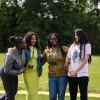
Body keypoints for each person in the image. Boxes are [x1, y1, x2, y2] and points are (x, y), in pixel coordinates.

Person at [64, 29, 92, 100]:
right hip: (71, 74)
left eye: (77, 35)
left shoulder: (87, 45)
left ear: (81, 35)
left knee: (83, 96)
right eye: (75, 35)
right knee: (72, 96)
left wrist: (75, 71)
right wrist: (70, 70)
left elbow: (85, 60)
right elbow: (68, 59)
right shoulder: (73, 46)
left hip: (82, 74)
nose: (75, 36)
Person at [42, 33, 69, 100]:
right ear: (49, 40)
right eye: (52, 39)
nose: (54, 40)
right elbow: (41, 63)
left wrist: (67, 63)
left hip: (62, 76)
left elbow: (73, 56)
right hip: (52, 77)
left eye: (55, 39)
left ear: (58, 40)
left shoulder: (64, 49)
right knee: (52, 97)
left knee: (61, 97)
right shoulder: (46, 51)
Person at [0, 36, 26, 100]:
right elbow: (7, 71)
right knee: (10, 94)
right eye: (24, 43)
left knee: (13, 92)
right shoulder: (10, 54)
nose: (26, 44)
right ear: (19, 44)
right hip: (6, 73)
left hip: (13, 72)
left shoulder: (23, 50)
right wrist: (20, 71)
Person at [23, 31, 42, 100]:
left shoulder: (38, 49)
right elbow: (16, 49)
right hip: (27, 72)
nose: (34, 40)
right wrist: (9, 49)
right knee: (30, 91)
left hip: (36, 73)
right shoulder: (24, 47)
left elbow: (40, 60)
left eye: (35, 39)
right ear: (28, 39)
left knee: (34, 92)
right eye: (32, 39)